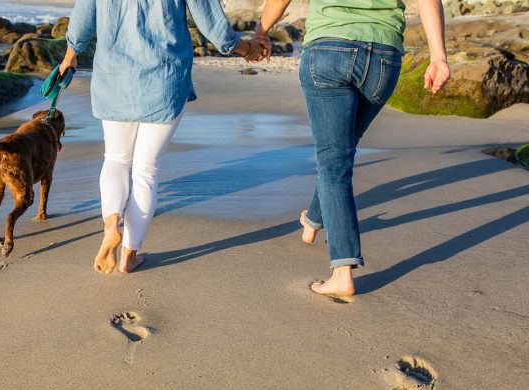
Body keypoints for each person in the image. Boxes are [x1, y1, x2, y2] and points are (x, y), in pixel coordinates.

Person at [254, 0, 450, 297]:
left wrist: (261, 31)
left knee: (333, 162)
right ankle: (313, 221)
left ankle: (342, 271)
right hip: (383, 57)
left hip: (328, 49)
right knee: (339, 154)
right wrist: (438, 57)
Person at [59, 0, 265, 274]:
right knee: (146, 171)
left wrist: (70, 55)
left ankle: (111, 227)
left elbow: (83, 17)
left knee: (116, 160)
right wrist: (247, 49)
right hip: (164, 79)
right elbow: (212, 25)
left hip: (114, 79)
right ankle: (129, 257)